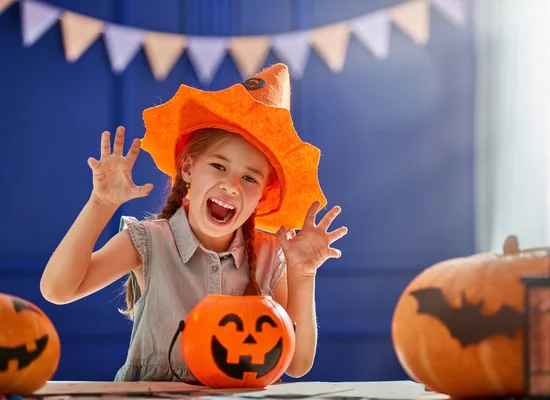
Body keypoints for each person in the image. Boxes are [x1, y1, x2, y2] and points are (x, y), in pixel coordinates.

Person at [40, 63, 348, 382]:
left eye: (249, 177)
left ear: (262, 197)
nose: (232, 185)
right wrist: (101, 204)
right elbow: (58, 290)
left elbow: (296, 364)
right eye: (218, 166)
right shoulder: (148, 241)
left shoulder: (271, 258)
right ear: (187, 169)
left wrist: (303, 273)